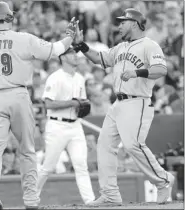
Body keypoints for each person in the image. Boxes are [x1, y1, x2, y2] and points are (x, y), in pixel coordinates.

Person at [0, 1, 78, 210]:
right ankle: (31, 200)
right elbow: (56, 49)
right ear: (9, 17)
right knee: (27, 150)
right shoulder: (22, 38)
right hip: (18, 95)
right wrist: (70, 35)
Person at [73, 8, 175, 206]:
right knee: (104, 145)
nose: (119, 25)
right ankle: (110, 194)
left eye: (123, 22)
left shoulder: (149, 45)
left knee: (133, 145)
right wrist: (81, 45)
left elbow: (161, 69)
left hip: (138, 101)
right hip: (117, 104)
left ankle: (163, 181)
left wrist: (138, 73)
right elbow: (100, 59)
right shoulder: (120, 47)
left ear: (135, 24)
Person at [36, 47, 95, 204]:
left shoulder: (80, 78)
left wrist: (82, 107)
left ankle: (90, 201)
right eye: (71, 53)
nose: (75, 55)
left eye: (75, 53)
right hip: (57, 125)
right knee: (47, 167)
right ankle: (32, 197)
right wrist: (72, 102)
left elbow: (81, 103)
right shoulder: (54, 78)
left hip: (75, 125)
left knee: (81, 164)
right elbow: (48, 104)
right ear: (62, 58)